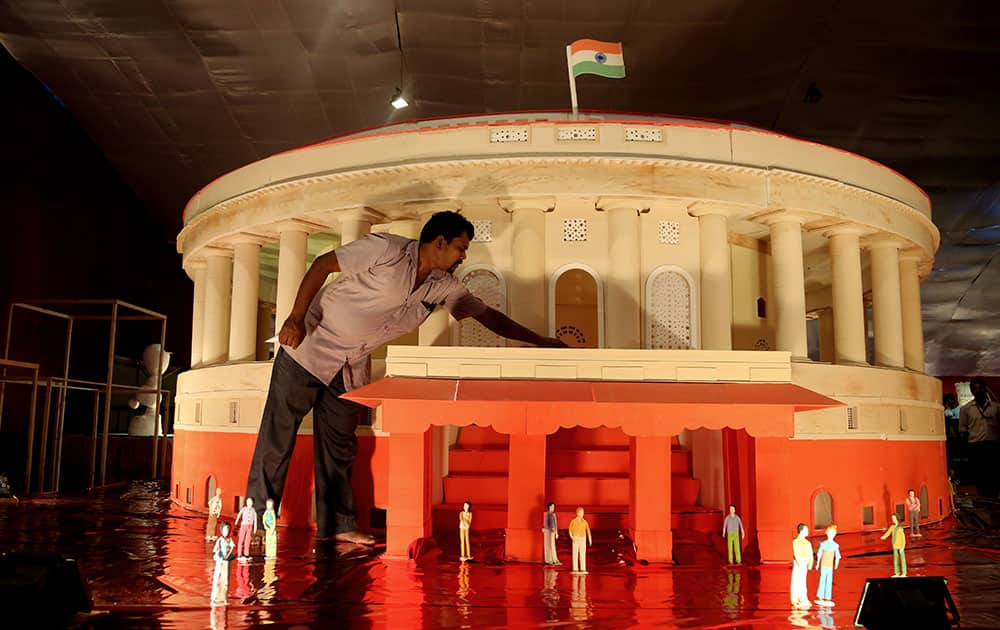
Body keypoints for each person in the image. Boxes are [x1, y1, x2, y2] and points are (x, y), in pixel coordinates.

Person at [245, 212, 566, 544]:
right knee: (278, 436)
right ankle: (253, 521)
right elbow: (323, 265)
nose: (464, 257)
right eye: (461, 247)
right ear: (439, 242)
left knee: (339, 447)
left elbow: (489, 317)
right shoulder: (386, 249)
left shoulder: (445, 286)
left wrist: (541, 342)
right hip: (308, 346)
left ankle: (338, 525)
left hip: (350, 364)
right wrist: (295, 317)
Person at [958, 378, 998, 497]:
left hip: (993, 445)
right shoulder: (966, 409)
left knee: (995, 474)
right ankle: (984, 498)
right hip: (976, 446)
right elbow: (963, 430)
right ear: (971, 391)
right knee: (980, 475)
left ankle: (994, 498)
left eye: (980, 387)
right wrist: (965, 451)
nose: (977, 390)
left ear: (985, 389)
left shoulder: (996, 407)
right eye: (974, 388)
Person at [814, 525, 840, 607]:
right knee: (822, 580)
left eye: (832, 533)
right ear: (826, 533)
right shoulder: (823, 544)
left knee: (829, 581)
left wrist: (836, 564)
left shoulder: (835, 545)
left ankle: (828, 597)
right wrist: (817, 564)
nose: (831, 535)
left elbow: (838, 556)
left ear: (835, 534)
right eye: (829, 533)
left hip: (830, 567)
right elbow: (819, 554)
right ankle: (820, 596)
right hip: (823, 565)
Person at [211, 522, 235, 606]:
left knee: (225, 580)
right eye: (225, 529)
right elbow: (215, 550)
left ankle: (224, 598)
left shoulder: (229, 540)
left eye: (228, 529)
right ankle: (214, 598)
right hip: (220, 561)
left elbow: (232, 547)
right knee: (218, 578)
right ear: (221, 530)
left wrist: (229, 554)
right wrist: (218, 555)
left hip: (227, 562)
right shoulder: (220, 540)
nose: (226, 531)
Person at [791, 523, 813, 609]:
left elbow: (810, 553)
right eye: (806, 530)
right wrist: (799, 562)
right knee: (796, 581)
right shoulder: (795, 542)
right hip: (798, 563)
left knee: (803, 581)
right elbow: (795, 552)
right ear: (802, 531)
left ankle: (803, 598)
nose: (808, 532)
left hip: (804, 562)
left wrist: (810, 563)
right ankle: (795, 599)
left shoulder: (807, 543)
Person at [569, 507, 592, 574]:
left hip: (583, 539)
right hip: (576, 538)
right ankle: (575, 568)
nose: (582, 514)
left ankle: (583, 568)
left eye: (583, 513)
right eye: (581, 513)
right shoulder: (573, 521)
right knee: (575, 554)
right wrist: (572, 537)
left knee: (582, 554)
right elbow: (570, 530)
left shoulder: (585, 522)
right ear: (577, 513)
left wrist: (590, 539)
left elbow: (588, 531)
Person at [233, 497, 258, 561]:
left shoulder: (253, 510)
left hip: (250, 526)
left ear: (252, 503)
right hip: (244, 525)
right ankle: (239, 554)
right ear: (246, 502)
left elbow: (255, 519)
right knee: (241, 539)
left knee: (248, 540)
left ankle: (246, 554)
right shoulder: (244, 509)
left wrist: (255, 527)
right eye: (248, 501)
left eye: (250, 502)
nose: (249, 503)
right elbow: (239, 514)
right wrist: (236, 521)